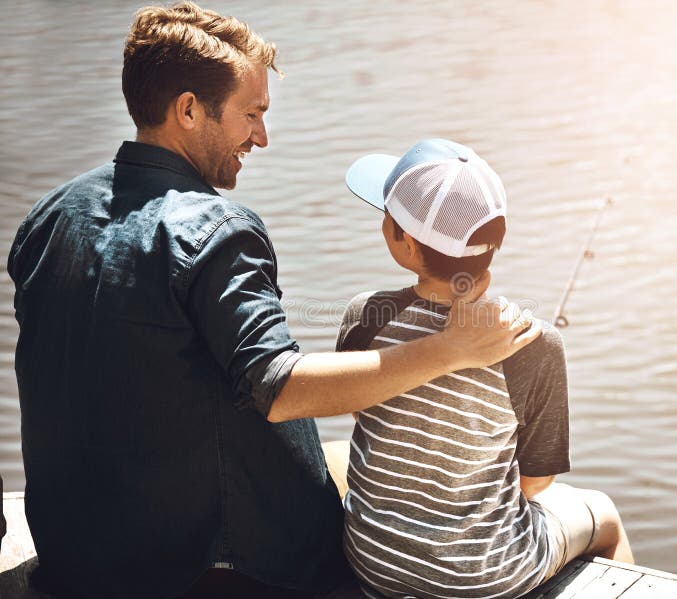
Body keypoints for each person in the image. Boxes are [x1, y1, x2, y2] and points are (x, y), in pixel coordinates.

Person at [5, 5, 539, 599]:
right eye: (252, 114)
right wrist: (451, 349)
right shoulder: (216, 230)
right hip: (213, 569)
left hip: (77, 550)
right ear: (187, 110)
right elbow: (281, 389)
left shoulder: (50, 216)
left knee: (345, 454)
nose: (261, 136)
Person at [336, 139, 634, 598]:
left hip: (375, 563)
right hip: (484, 578)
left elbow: (360, 412)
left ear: (407, 245)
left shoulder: (365, 316)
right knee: (604, 514)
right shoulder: (536, 346)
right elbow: (535, 484)